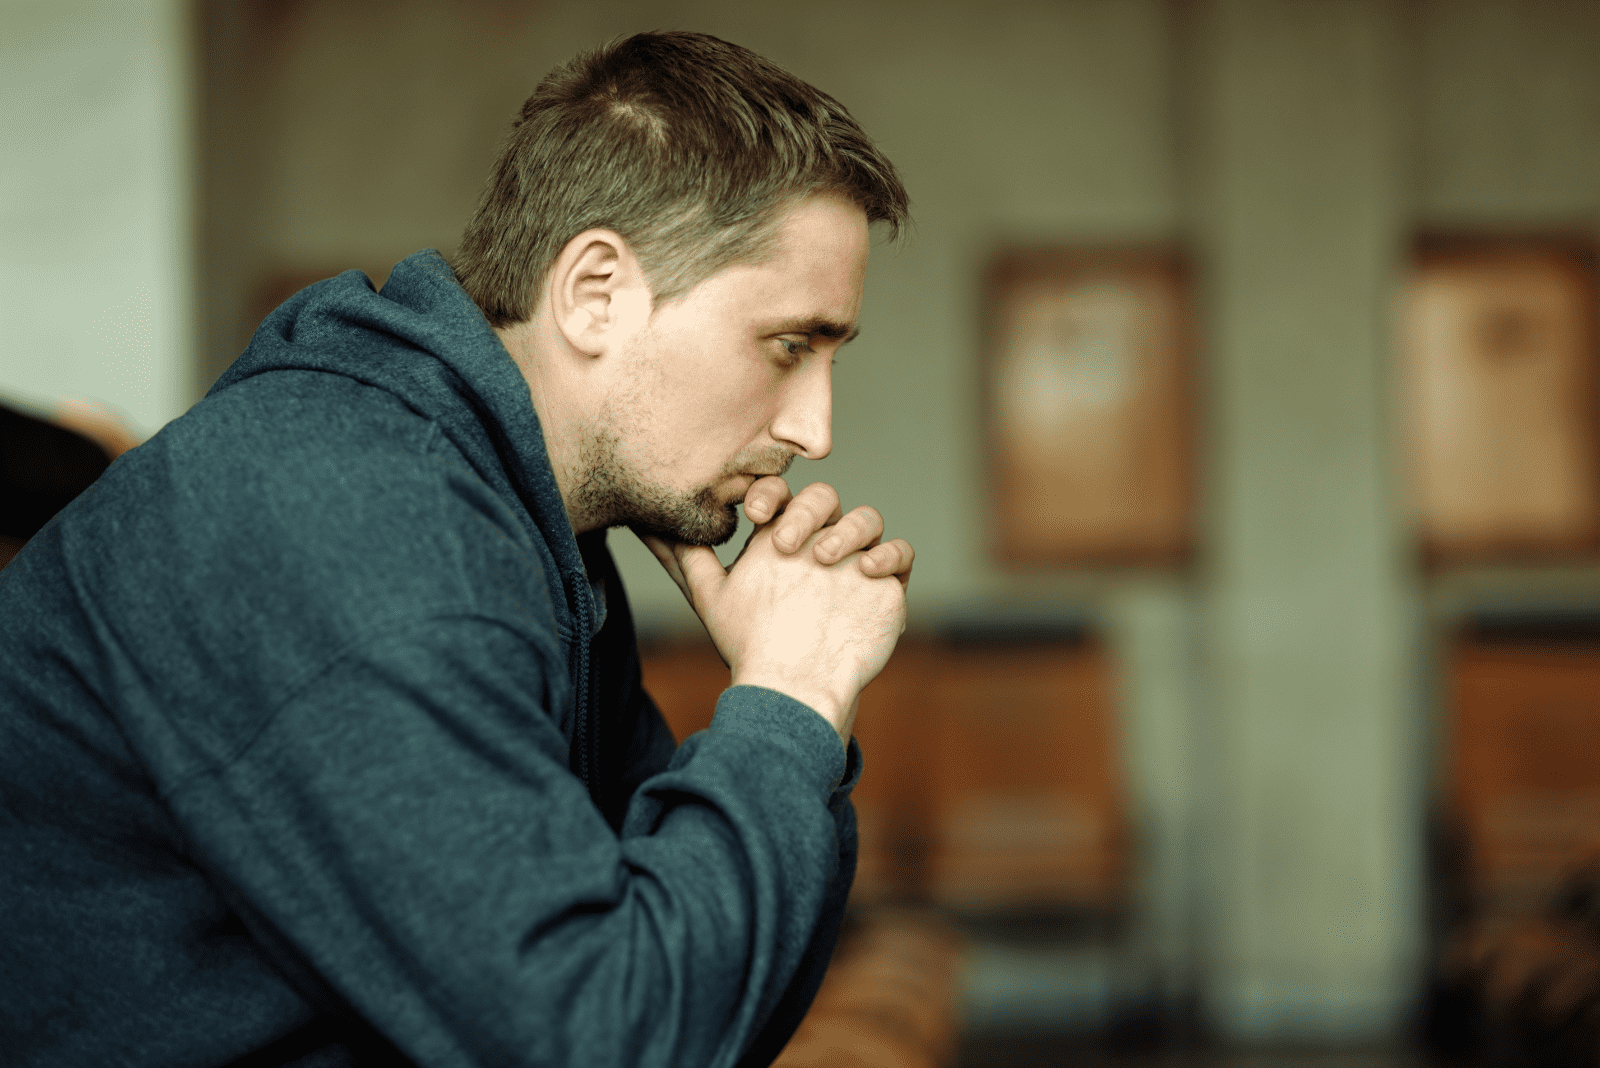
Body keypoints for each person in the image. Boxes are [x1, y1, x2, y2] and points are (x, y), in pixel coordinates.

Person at [0, 30, 912, 1068]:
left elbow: (699, 987)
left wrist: (797, 719)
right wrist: (791, 699)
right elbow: (612, 1040)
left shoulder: (527, 524)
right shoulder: (353, 522)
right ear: (595, 292)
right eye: (787, 346)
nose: (814, 429)